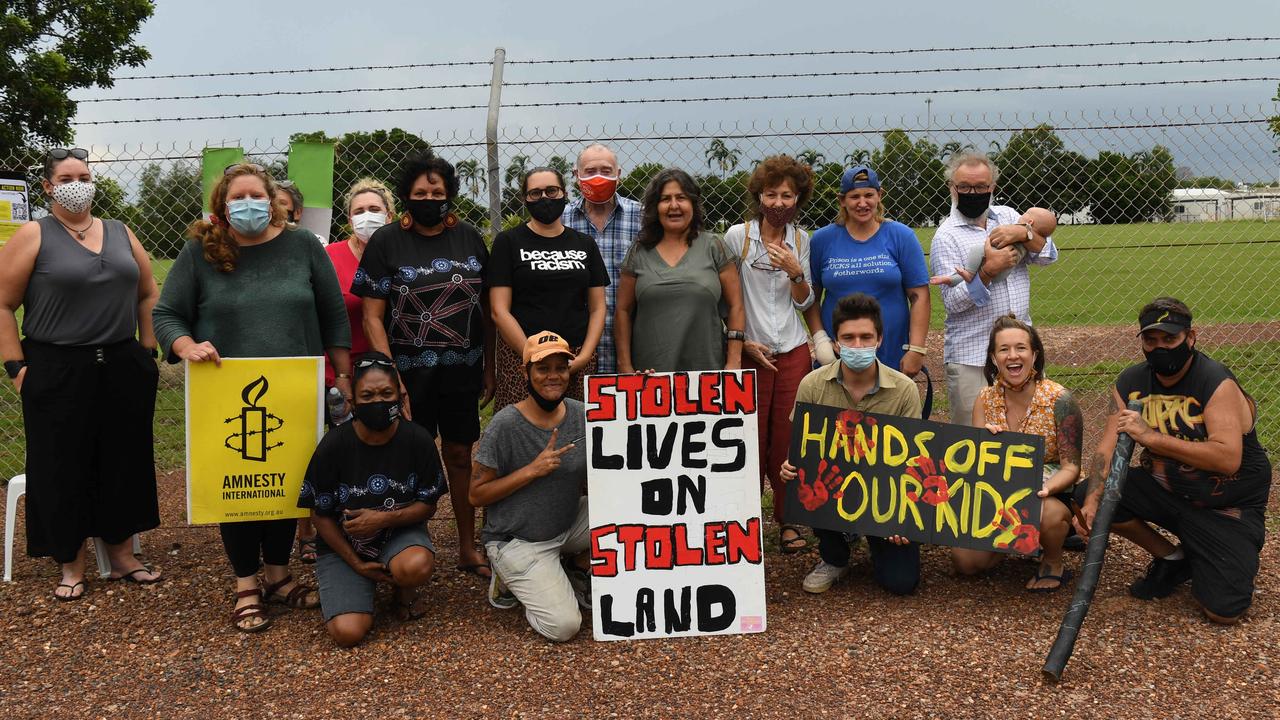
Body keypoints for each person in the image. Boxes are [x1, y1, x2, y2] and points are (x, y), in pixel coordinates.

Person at [153, 162, 351, 632]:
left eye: (256, 196)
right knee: (237, 487)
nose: (248, 205)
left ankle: (279, 576)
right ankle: (246, 583)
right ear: (222, 205)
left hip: (296, 389)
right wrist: (185, 345)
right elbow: (167, 314)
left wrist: (342, 375)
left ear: (273, 201)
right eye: (237, 197)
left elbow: (333, 316)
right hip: (225, 392)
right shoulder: (201, 252)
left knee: (284, 483)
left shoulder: (303, 246)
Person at [0, 147, 162, 600]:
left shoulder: (120, 232)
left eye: (85, 175)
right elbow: (3, 304)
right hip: (56, 366)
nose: (78, 182)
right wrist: (17, 368)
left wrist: (146, 350)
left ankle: (122, 555)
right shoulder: (33, 235)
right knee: (61, 464)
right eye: (67, 176)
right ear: (49, 186)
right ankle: (70, 562)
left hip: (120, 362)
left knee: (122, 459)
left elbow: (148, 292)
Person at [1078, 298, 1271, 624]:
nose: (1160, 348)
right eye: (1151, 340)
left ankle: (1217, 553)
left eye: (1170, 339)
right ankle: (1172, 557)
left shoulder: (1215, 382)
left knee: (1223, 611)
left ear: (1191, 337)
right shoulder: (1131, 383)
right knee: (1085, 494)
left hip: (1225, 509)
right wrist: (1094, 500)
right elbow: (1106, 450)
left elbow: (1227, 459)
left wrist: (1151, 437)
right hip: (1167, 493)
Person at [353, 150, 495, 579]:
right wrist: (391, 377)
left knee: (459, 454)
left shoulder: (470, 237)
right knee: (408, 458)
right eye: (420, 192)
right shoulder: (386, 242)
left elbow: (486, 308)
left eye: (437, 191)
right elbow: (371, 316)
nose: (430, 198)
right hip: (409, 375)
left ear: (449, 194)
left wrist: (488, 365)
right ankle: (406, 552)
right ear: (406, 197)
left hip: (462, 371)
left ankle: (468, 547)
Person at [299, 351, 447, 647]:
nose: (378, 402)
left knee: (415, 565)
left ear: (400, 396)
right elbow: (320, 514)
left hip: (397, 533)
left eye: (386, 393)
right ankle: (359, 581)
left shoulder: (418, 440)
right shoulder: (334, 445)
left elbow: (428, 506)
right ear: (352, 401)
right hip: (344, 545)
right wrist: (356, 564)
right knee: (347, 633)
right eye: (367, 395)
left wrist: (383, 519)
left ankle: (401, 588)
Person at [779, 293, 921, 596]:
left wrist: (902, 517)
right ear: (836, 343)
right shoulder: (812, 385)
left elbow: (912, 461)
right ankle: (835, 555)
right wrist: (791, 467)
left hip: (884, 494)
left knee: (901, 582)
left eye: (865, 337)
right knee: (811, 480)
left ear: (880, 339)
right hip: (834, 487)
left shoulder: (904, 389)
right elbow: (803, 447)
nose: (857, 345)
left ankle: (875, 539)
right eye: (849, 338)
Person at [294, 178, 396, 564]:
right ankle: (307, 530)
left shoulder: (396, 253)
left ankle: (364, 526)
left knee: (365, 453)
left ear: (390, 215)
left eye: (375, 210)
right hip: (329, 369)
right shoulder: (329, 255)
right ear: (347, 218)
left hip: (380, 373)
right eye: (358, 211)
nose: (366, 217)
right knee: (315, 449)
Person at [469, 331, 592, 642]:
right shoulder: (506, 424)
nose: (553, 376)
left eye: (560, 368)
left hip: (566, 524)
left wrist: (646, 385)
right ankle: (508, 578)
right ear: (526, 372)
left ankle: (574, 566)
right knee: (564, 627)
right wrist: (531, 471)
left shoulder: (581, 412)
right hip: (518, 540)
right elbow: (476, 495)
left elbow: (631, 419)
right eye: (542, 368)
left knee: (627, 509)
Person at [723, 155, 818, 553]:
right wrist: (741, 341)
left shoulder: (802, 240)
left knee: (788, 439)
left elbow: (804, 300)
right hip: (751, 350)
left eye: (787, 195)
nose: (778, 203)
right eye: (771, 194)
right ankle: (743, 522)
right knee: (748, 439)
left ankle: (788, 519)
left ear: (798, 199)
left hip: (792, 349)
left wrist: (796, 272)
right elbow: (726, 298)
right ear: (758, 195)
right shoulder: (737, 237)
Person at [950, 314, 1083, 591]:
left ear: (1035, 354)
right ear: (993, 357)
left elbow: (1072, 467)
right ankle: (1015, 543)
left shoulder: (1060, 400)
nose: (1013, 356)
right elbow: (978, 465)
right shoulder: (985, 398)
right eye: (1004, 349)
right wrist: (986, 444)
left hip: (1050, 495)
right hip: (1000, 497)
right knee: (966, 562)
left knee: (1045, 513)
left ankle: (1053, 559)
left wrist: (1044, 489)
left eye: (1021, 348)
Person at [929, 151, 1058, 425]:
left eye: (980, 187)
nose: (972, 192)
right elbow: (952, 302)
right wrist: (988, 271)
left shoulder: (1009, 216)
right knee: (973, 440)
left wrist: (1023, 232)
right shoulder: (946, 235)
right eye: (964, 187)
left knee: (1029, 428)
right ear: (952, 188)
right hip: (972, 358)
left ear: (992, 188)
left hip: (1019, 353)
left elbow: (1047, 256)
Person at [489, 167, 608, 412]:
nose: (544, 198)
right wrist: (534, 357)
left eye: (551, 191)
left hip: (574, 356)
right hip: (522, 357)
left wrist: (584, 357)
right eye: (535, 193)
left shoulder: (585, 244)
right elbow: (499, 310)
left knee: (576, 433)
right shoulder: (508, 242)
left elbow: (597, 308)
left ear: (564, 194)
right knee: (522, 433)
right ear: (525, 199)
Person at [614, 168, 745, 373]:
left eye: (681, 198)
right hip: (650, 376)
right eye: (665, 199)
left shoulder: (714, 247)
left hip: (709, 374)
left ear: (693, 203)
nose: (674, 205)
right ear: (655, 207)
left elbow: (736, 306)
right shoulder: (638, 251)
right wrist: (625, 366)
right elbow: (623, 311)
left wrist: (733, 362)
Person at [806, 166, 930, 377]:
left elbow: (920, 296)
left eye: (869, 195)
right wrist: (820, 340)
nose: (862, 203)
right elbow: (811, 299)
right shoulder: (822, 240)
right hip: (838, 355)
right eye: (854, 196)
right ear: (842, 200)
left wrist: (916, 349)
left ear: (879, 196)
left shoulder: (900, 236)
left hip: (891, 353)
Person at [562, 143, 642, 374]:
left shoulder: (642, 217)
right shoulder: (560, 219)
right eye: (590, 171)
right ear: (577, 176)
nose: (598, 177)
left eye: (606, 171)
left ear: (619, 175)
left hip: (631, 348)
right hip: (575, 348)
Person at [273, 179, 325, 245]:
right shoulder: (259, 240)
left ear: (298, 212)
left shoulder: (314, 242)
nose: (274, 208)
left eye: (282, 203)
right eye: (271, 203)